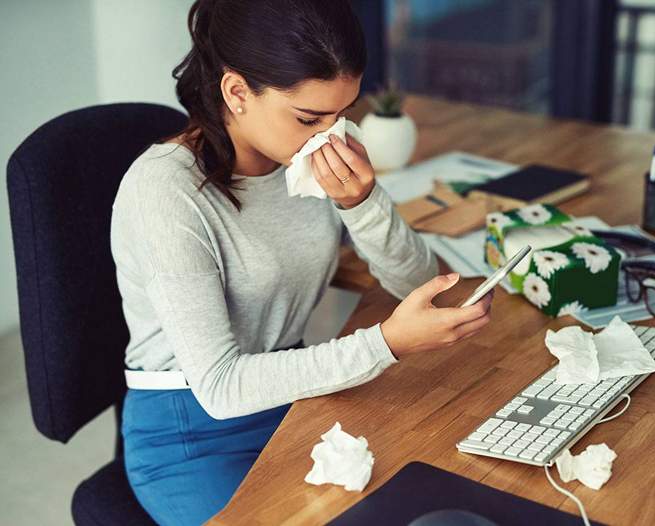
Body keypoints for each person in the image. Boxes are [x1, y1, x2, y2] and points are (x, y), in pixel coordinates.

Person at [109, 0, 493, 524]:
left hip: (296, 396)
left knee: (446, 494)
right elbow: (220, 387)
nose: (329, 135)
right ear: (237, 92)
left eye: (342, 114)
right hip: (192, 429)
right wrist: (386, 343)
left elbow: (423, 286)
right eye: (310, 118)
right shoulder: (165, 191)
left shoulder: (314, 153)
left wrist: (362, 203)